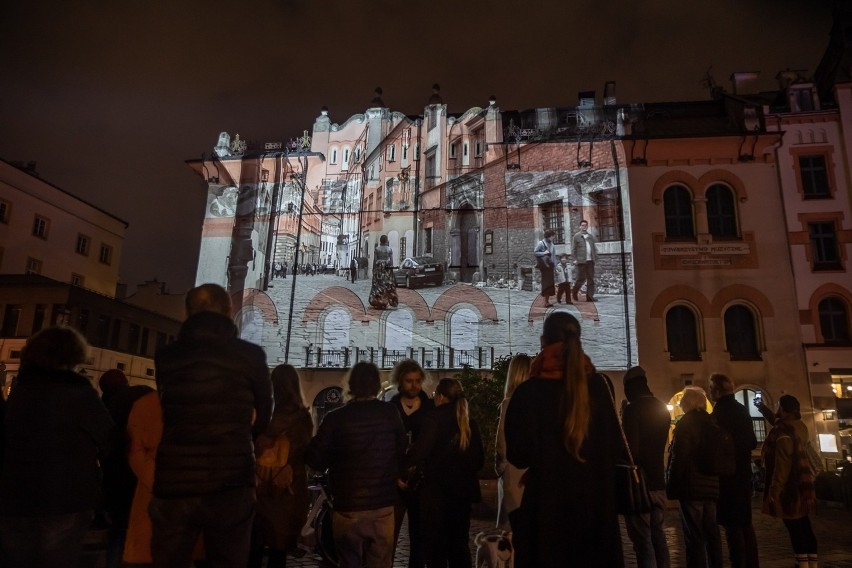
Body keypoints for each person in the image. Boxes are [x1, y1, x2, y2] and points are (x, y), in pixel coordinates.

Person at [149, 283, 273, 567]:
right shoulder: (250, 355)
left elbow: (168, 409)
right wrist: (244, 440)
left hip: (174, 479)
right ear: (229, 311)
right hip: (230, 480)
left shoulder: (167, 356)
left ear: (188, 313)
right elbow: (264, 414)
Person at [505, 312, 623, 567]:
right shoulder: (600, 387)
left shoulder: (528, 392)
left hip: (547, 514)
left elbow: (518, 454)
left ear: (543, 341)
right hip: (595, 513)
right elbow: (614, 447)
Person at [0, 327, 114, 568]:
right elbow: (108, 438)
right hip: (67, 497)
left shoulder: (21, 390)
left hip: (16, 495)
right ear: (73, 355)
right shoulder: (79, 392)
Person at [305, 362, 406, 568]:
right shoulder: (390, 413)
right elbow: (401, 450)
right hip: (382, 505)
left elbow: (315, 458)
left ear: (351, 386)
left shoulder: (335, 418)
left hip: (347, 506)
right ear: (377, 385)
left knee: (349, 562)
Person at [123, 390, 205, 566]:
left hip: (154, 485)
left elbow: (134, 451)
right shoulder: (215, 402)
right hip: (196, 490)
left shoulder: (147, 403)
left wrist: (156, 481)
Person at [409, 378, 484, 568]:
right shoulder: (469, 422)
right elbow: (479, 460)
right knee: (459, 546)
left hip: (436, 494)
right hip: (462, 495)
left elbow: (419, 452)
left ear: (441, 397)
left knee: (436, 549)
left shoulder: (434, 419)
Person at [249, 364, 313, 568]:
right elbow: (306, 451)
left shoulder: (264, 415)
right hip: (288, 487)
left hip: (260, 485)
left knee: (255, 543)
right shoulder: (302, 416)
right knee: (279, 549)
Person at [99, 369, 154, 568]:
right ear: (125, 381)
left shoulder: (105, 406)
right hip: (144, 476)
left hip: (116, 477)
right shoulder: (144, 394)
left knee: (119, 530)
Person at [666, 386, 723, 568]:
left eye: (682, 402)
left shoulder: (685, 424)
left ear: (687, 404)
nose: (680, 405)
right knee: (712, 533)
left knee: (694, 534)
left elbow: (679, 457)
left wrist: (672, 484)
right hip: (711, 484)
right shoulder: (712, 422)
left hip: (692, 486)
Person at [622, 365, 672, 568]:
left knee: (643, 542)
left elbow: (631, 451)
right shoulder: (661, 407)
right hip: (658, 480)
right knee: (659, 537)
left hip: (639, 485)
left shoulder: (633, 409)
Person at [708, 373, 759, 568]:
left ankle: (739, 562)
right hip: (743, 474)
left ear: (718, 391)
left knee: (732, 526)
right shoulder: (741, 410)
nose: (710, 393)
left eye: (711, 389)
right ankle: (752, 563)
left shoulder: (718, 414)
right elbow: (752, 441)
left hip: (726, 477)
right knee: (745, 523)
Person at [761, 395, 817, 568]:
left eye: (778, 405)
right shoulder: (799, 426)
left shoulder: (783, 432)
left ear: (783, 408)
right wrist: (763, 409)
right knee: (804, 524)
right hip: (803, 482)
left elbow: (782, 463)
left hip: (789, 487)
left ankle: (802, 564)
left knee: (795, 526)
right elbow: (778, 422)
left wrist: (774, 491)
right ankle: (812, 563)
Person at [389, 359, 435, 568]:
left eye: (418, 381)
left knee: (420, 536)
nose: (414, 385)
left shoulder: (429, 408)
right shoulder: (390, 409)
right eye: (409, 381)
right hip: (395, 479)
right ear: (400, 381)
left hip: (421, 481)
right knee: (389, 534)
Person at [495, 353, 532, 529]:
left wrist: (501, 465)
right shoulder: (535, 402)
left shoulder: (508, 403)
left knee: (511, 527)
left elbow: (501, 441)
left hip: (512, 470)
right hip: (530, 471)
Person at [571, 219, 598, 302]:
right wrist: (575, 259)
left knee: (591, 279)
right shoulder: (576, 236)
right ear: (580, 226)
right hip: (581, 261)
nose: (584, 227)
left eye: (585, 225)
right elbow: (573, 250)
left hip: (590, 261)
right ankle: (574, 292)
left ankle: (589, 297)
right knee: (580, 278)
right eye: (582, 225)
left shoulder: (590, 236)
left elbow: (594, 248)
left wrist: (595, 258)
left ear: (587, 226)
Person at [369, 235, 399, 309]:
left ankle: (378, 301)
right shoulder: (389, 249)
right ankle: (386, 301)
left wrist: (373, 270)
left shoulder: (377, 249)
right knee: (387, 285)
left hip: (379, 270)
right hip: (387, 270)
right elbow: (391, 261)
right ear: (386, 241)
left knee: (378, 285)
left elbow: (375, 261)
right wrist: (391, 270)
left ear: (380, 241)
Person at [534, 229, 557, 307]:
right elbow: (535, 252)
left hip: (550, 265)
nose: (553, 238)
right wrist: (543, 253)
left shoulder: (552, 245)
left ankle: (547, 301)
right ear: (548, 236)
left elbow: (554, 256)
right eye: (552, 236)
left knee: (550, 283)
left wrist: (555, 266)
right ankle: (545, 302)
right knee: (546, 283)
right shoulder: (541, 243)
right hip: (544, 266)